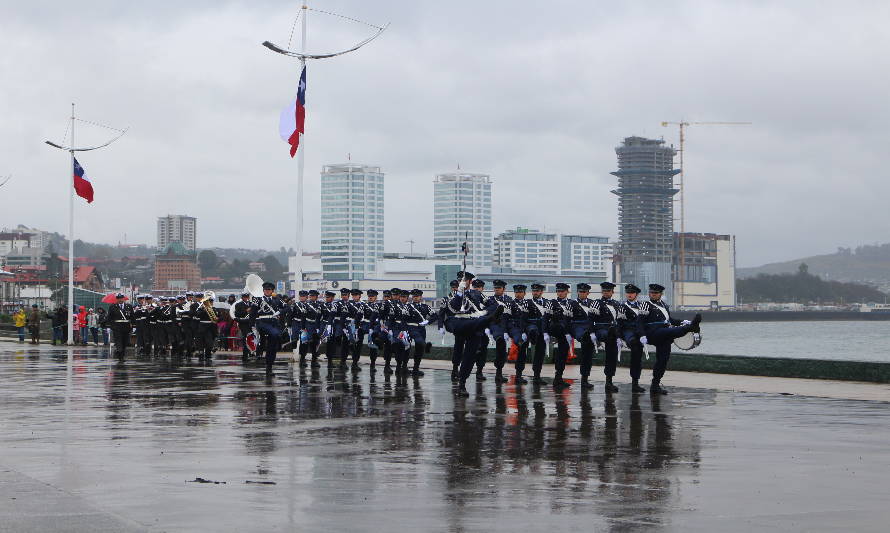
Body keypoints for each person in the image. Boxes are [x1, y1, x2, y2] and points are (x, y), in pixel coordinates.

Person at [445, 271, 503, 396]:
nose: (463, 282)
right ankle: (455, 368)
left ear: (470, 282)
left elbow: (493, 305)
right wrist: (460, 293)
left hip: (474, 325)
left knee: (470, 356)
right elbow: (452, 308)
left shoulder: (477, 294)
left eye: (465, 280)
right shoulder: (453, 295)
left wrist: (483, 312)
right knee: (459, 349)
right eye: (461, 280)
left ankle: (462, 383)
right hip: (460, 324)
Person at [640, 283, 702, 395]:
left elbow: (670, 320)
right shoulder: (645, 304)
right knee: (670, 331)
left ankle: (655, 385)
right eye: (651, 293)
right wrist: (642, 335)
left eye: (655, 293)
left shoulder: (664, 305)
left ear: (660, 294)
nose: (653, 295)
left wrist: (682, 321)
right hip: (652, 333)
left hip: (664, 335)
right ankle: (691, 327)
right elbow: (639, 322)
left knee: (663, 360)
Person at [479, 279, 512, 384]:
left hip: (504, 326)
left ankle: (499, 373)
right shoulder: (489, 300)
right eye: (495, 288)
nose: (497, 290)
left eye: (499, 288)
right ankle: (479, 371)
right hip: (492, 325)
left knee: (501, 349)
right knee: (482, 347)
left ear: (503, 289)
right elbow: (485, 314)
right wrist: (486, 327)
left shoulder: (509, 300)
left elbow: (510, 316)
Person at [591, 281, 621, 393]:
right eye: (604, 291)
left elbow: (619, 320)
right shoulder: (596, 303)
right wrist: (592, 333)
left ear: (612, 292)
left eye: (608, 291)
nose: (606, 293)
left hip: (612, 332)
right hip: (601, 330)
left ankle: (609, 382)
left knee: (611, 357)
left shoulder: (616, 304)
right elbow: (591, 319)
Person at [617, 283, 647, 393]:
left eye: (632, 293)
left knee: (638, 357)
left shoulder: (642, 306)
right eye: (628, 293)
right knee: (634, 347)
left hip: (640, 332)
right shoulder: (622, 306)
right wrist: (619, 337)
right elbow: (619, 323)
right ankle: (634, 383)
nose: (629, 294)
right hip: (628, 331)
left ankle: (636, 382)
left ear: (636, 294)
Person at [251, 282, 285, 373]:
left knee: (272, 347)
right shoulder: (258, 300)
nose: (267, 291)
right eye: (265, 289)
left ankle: (269, 365)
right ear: (263, 290)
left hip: (274, 323)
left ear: (272, 291)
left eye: (269, 290)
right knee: (274, 334)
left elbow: (287, 307)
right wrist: (252, 326)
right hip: (262, 322)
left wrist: (280, 312)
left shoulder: (277, 299)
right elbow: (252, 313)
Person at [548, 283, 573, 388]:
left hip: (566, 333)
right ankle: (557, 379)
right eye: (558, 291)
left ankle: (558, 378)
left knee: (563, 355)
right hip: (556, 330)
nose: (560, 293)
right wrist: (546, 332)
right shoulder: (552, 303)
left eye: (562, 291)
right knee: (560, 355)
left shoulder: (572, 303)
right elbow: (546, 318)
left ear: (567, 292)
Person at [527, 283, 551, 384]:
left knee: (540, 354)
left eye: (537, 291)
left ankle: (537, 376)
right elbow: (523, 318)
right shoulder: (527, 302)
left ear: (541, 292)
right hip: (531, 330)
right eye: (533, 291)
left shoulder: (547, 303)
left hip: (542, 331)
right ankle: (519, 376)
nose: (535, 292)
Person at [405, 289, 433, 376]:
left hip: (421, 328)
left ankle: (416, 369)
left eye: (417, 296)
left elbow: (435, 315)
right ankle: (403, 367)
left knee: (419, 350)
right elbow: (403, 317)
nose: (415, 298)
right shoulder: (408, 307)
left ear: (421, 297)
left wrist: (428, 321)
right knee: (406, 348)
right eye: (414, 296)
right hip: (410, 327)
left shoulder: (425, 307)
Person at [505, 284, 530, 384]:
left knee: (523, 353)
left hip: (525, 330)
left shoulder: (528, 304)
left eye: (520, 292)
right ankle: (518, 375)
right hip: (514, 329)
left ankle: (519, 374)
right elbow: (505, 318)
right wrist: (505, 331)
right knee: (520, 344)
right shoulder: (510, 304)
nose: (518, 294)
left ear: (524, 293)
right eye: (516, 292)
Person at [232, 291, 254, 361]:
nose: (246, 298)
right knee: (247, 338)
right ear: (242, 298)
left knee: (253, 338)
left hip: (251, 323)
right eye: (245, 297)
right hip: (243, 323)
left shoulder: (252, 304)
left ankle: (251, 352)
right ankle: (245, 355)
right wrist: (246, 311)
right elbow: (237, 314)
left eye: (247, 297)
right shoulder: (238, 304)